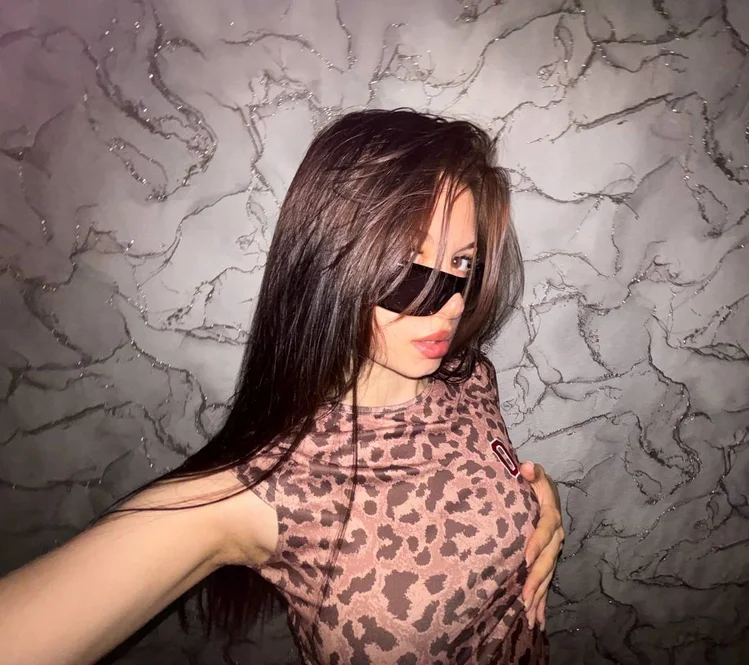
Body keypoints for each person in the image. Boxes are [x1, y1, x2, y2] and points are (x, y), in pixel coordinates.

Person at [0, 109, 564, 665]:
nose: (450, 305)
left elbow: (488, 478)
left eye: (462, 264)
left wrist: (535, 503)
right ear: (330, 266)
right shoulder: (268, 487)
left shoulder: (469, 377)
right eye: (407, 265)